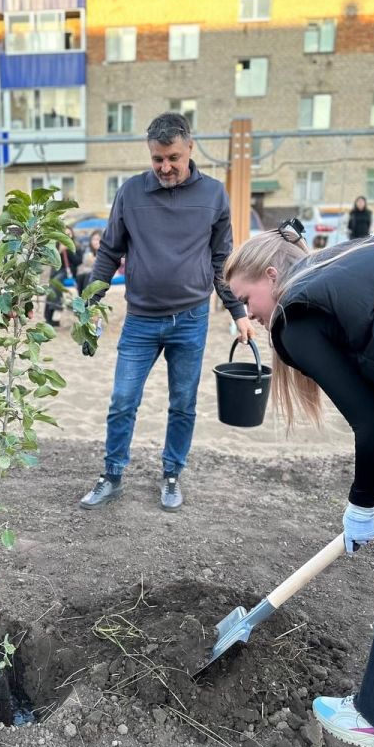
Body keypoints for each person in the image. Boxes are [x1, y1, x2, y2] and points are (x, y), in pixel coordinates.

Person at [224, 222, 374, 747]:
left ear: (270, 275)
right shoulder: (358, 255)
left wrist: (360, 506)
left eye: (245, 300)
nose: (252, 317)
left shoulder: (296, 314)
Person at [79, 112, 254, 512]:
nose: (165, 167)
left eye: (173, 157)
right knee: (123, 399)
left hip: (190, 321)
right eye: (157, 159)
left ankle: (172, 473)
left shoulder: (213, 195)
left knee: (183, 403)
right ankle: (112, 474)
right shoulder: (131, 193)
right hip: (140, 320)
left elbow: (221, 259)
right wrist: (89, 299)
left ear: (190, 147)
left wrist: (238, 311)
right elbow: (109, 251)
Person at [44, 226, 83, 327]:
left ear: (72, 235)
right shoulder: (56, 246)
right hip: (56, 271)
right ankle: (49, 317)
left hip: (68, 271)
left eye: (69, 234)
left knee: (56, 283)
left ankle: (57, 309)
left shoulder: (76, 246)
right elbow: (51, 260)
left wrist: (69, 250)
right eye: (65, 234)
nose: (67, 236)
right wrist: (60, 251)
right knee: (51, 289)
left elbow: (78, 261)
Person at [76, 228, 102, 295]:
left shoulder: (105, 252)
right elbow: (85, 263)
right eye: (93, 239)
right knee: (80, 277)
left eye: (98, 239)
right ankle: (81, 299)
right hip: (89, 272)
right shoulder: (89, 251)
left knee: (89, 275)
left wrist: (94, 260)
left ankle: (86, 300)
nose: (95, 242)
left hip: (102, 273)